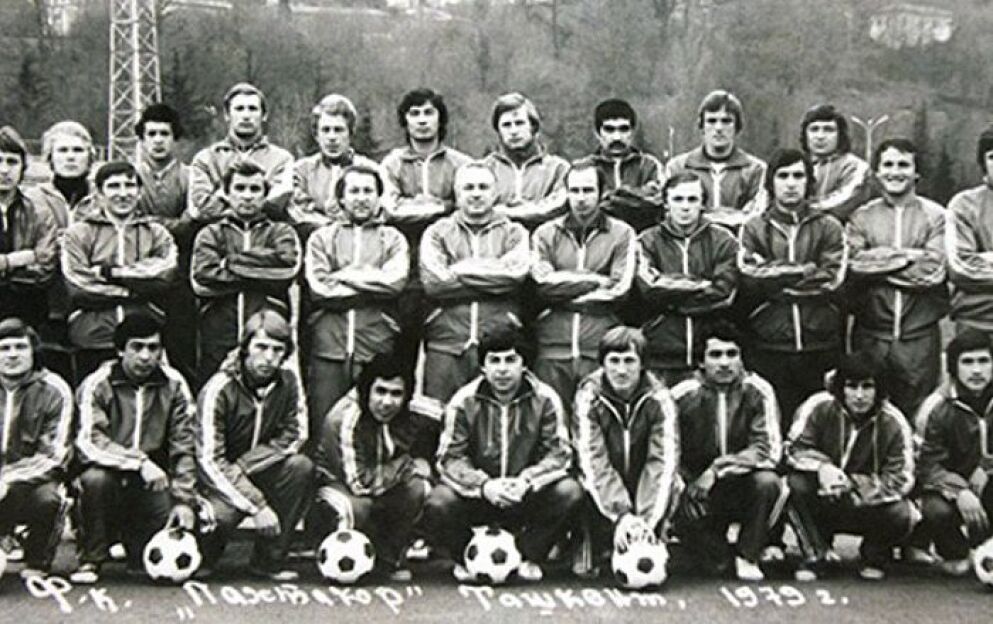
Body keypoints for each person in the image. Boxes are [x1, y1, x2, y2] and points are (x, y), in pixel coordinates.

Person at [422, 321, 581, 582]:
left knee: (570, 492)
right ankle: (467, 557)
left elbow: (559, 454)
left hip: (525, 494)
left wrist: (526, 481)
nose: (503, 369)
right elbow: (450, 458)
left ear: (524, 364)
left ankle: (527, 555)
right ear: (483, 366)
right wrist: (484, 486)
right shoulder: (463, 401)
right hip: (480, 495)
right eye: (494, 361)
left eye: (511, 360)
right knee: (439, 500)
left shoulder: (545, 398)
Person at [70, 314, 197, 584]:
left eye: (153, 348)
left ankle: (134, 544)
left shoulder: (175, 384)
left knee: (145, 563)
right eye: (137, 347)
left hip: (153, 479)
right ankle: (92, 557)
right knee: (94, 480)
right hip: (108, 471)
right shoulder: (97, 383)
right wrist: (138, 462)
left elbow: (185, 445)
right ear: (120, 350)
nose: (145, 356)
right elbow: (89, 441)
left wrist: (184, 500)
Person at [417, 161, 530, 451]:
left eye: (483, 187)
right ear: (456, 194)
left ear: (495, 193)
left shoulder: (514, 232)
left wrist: (459, 269)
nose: (476, 194)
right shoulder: (437, 232)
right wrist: (491, 273)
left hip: (498, 342)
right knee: (438, 416)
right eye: (468, 187)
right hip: (447, 340)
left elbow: (514, 275)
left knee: (495, 419)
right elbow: (435, 283)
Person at [195, 310, 311, 581]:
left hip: (258, 468)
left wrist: (246, 465)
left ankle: (269, 560)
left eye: (277, 350)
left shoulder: (289, 382)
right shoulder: (218, 388)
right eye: (261, 347)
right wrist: (257, 505)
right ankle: (205, 556)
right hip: (220, 480)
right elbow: (209, 460)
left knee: (300, 467)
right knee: (218, 518)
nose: (269, 358)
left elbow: (296, 434)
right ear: (245, 347)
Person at [737, 148, 847, 427]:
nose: (790, 183)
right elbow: (750, 275)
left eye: (798, 176)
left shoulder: (829, 226)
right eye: (783, 175)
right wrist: (803, 270)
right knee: (773, 422)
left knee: (819, 423)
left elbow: (832, 279)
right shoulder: (754, 228)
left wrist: (777, 282)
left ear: (809, 182)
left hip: (819, 343)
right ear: (770, 182)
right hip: (770, 343)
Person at [786, 353, 916, 581]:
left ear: (879, 389)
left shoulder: (894, 422)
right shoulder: (818, 405)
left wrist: (854, 484)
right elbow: (793, 449)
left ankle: (874, 556)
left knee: (903, 514)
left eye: (867, 387)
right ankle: (816, 554)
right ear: (840, 387)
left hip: (865, 504)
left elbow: (902, 477)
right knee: (793, 485)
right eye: (851, 386)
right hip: (823, 496)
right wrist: (823, 468)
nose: (859, 395)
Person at [669, 323, 783, 581]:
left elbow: (768, 450)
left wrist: (717, 469)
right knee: (716, 567)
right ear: (701, 361)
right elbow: (666, 450)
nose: (724, 363)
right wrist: (686, 483)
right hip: (698, 489)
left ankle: (748, 554)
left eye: (732, 354)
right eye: (715, 355)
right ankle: (700, 545)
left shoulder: (758, 390)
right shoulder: (681, 394)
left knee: (768, 482)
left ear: (742, 358)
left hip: (741, 483)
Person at [846, 138, 947, 419]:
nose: (895, 171)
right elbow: (854, 264)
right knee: (868, 413)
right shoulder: (861, 216)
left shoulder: (937, 216)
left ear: (916, 173)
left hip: (919, 339)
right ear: (877, 172)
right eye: (888, 165)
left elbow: (932, 272)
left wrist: (878, 264)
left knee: (919, 414)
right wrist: (909, 256)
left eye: (903, 165)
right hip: (871, 336)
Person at [303, 165, 408, 432]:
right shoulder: (321, 238)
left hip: (375, 343)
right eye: (354, 191)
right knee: (324, 422)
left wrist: (343, 275)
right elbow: (320, 288)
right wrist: (372, 285)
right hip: (329, 345)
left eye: (368, 191)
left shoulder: (393, 238)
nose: (361, 198)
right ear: (341, 198)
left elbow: (394, 282)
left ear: (379, 196)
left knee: (372, 423)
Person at [571, 327, 679, 579]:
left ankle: (655, 537)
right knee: (577, 486)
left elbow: (662, 461)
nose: (621, 370)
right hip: (604, 487)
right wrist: (622, 515)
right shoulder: (588, 396)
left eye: (629, 361)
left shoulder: (659, 398)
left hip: (642, 482)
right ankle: (589, 542)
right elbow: (592, 460)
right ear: (602, 364)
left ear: (643, 365)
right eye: (614, 361)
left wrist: (644, 521)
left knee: (676, 483)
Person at [311, 353, 430, 581]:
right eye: (380, 391)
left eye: (396, 393)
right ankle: (338, 565)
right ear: (366, 391)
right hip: (338, 485)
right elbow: (360, 484)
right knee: (356, 507)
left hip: (383, 478)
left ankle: (388, 560)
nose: (387, 402)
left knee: (418, 488)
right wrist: (409, 464)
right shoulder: (343, 418)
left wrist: (428, 457)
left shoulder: (414, 408)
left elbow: (450, 416)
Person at [531, 162, 636, 416]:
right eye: (574, 190)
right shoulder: (545, 233)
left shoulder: (622, 233)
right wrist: (596, 280)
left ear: (601, 193)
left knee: (597, 421)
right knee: (552, 421)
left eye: (588, 190)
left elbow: (619, 290)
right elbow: (542, 284)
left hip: (599, 347)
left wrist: (562, 295)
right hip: (552, 348)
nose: (580, 198)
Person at [380, 88, 472, 373]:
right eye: (414, 113)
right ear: (405, 121)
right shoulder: (392, 164)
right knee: (400, 361)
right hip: (406, 274)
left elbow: (467, 209)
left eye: (429, 113)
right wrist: (443, 205)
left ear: (440, 119)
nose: (422, 120)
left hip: (448, 271)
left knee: (447, 359)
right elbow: (391, 209)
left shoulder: (461, 164)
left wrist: (421, 205)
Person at [61, 161, 178, 382]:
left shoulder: (156, 233)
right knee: (92, 396)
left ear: (140, 191)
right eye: (114, 186)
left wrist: (110, 273)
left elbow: (164, 275)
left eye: (130, 185)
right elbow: (77, 284)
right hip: (93, 337)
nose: (123, 193)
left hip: (144, 339)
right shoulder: (78, 233)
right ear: (99, 193)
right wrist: (133, 292)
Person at [190, 160, 301, 386]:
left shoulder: (281, 231)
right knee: (215, 393)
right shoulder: (211, 233)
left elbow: (286, 270)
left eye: (255, 189)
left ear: (265, 195)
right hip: (219, 333)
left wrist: (229, 262)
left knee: (266, 397)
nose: (247, 196)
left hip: (268, 337)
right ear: (227, 194)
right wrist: (262, 272)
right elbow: (203, 279)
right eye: (240, 188)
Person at [636, 172, 738, 385]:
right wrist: (701, 284)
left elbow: (724, 293)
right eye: (678, 199)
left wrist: (672, 300)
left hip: (709, 355)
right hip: (661, 352)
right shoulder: (646, 241)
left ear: (703, 204)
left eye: (692, 199)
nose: (685, 207)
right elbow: (649, 289)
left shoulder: (724, 240)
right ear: (666, 203)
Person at [915, 329, 993, 576]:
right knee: (935, 510)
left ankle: (986, 547)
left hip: (987, 482)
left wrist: (986, 468)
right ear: (953, 367)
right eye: (967, 362)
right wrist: (959, 490)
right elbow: (925, 466)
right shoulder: (935, 407)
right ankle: (954, 550)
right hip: (948, 491)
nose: (977, 370)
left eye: (984, 361)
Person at [0, 318, 73, 579]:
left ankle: (37, 559)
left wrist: (6, 478)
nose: (12, 355)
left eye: (20, 347)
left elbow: (55, 455)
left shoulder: (55, 389)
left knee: (50, 498)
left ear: (33, 351)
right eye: (4, 348)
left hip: (31, 480)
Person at [135, 103, 197, 383]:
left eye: (164, 134)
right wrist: (169, 224)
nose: (158, 140)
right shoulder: (130, 177)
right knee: (141, 353)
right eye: (151, 134)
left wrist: (150, 222)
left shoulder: (190, 177)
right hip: (141, 275)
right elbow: (130, 225)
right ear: (142, 138)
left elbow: (190, 224)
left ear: (175, 138)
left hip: (181, 277)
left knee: (184, 354)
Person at [187, 82, 294, 224]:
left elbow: (277, 204)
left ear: (264, 115)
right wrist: (250, 203)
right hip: (218, 233)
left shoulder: (282, 159)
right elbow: (198, 210)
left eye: (252, 109)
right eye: (239, 109)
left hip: (266, 232)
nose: (246, 116)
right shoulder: (205, 159)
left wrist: (222, 198)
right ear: (227, 115)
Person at [664, 90, 767, 229]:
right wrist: (730, 215)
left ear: (737, 126)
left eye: (726, 121)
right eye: (711, 121)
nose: (718, 128)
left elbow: (755, 217)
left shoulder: (755, 169)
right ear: (702, 126)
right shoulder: (678, 167)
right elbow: (671, 213)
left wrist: (705, 216)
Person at [290, 94, 388, 234]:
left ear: (350, 133)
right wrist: (330, 226)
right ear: (316, 135)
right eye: (326, 130)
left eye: (338, 130)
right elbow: (297, 213)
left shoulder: (370, 170)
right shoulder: (301, 170)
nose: (332, 137)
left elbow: (380, 211)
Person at [0, 126, 60, 328]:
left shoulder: (39, 212)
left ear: (23, 167)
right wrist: (17, 259)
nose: (4, 170)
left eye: (12, 162)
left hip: (28, 311)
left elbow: (45, 269)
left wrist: (4, 264)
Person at [574, 98, 664, 233]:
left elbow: (658, 202)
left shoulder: (649, 165)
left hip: (642, 236)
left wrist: (609, 198)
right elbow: (578, 205)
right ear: (597, 133)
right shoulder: (584, 167)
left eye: (623, 129)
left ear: (632, 132)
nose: (617, 137)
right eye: (609, 130)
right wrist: (634, 196)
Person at [482, 92, 569, 229]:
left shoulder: (558, 169)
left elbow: (559, 205)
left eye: (519, 123)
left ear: (533, 126)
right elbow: (478, 208)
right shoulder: (484, 169)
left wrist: (507, 212)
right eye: (506, 125)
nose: (513, 131)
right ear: (498, 130)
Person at [946, 125, 993, 338]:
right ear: (983, 163)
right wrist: (973, 261)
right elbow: (961, 268)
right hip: (976, 323)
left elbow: (974, 264)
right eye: (992, 157)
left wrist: (984, 258)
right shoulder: (964, 205)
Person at [799, 104, 872, 223]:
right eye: (814, 129)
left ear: (840, 134)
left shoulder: (856, 167)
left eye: (828, 130)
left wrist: (802, 210)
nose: (820, 136)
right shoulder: (796, 166)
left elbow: (842, 202)